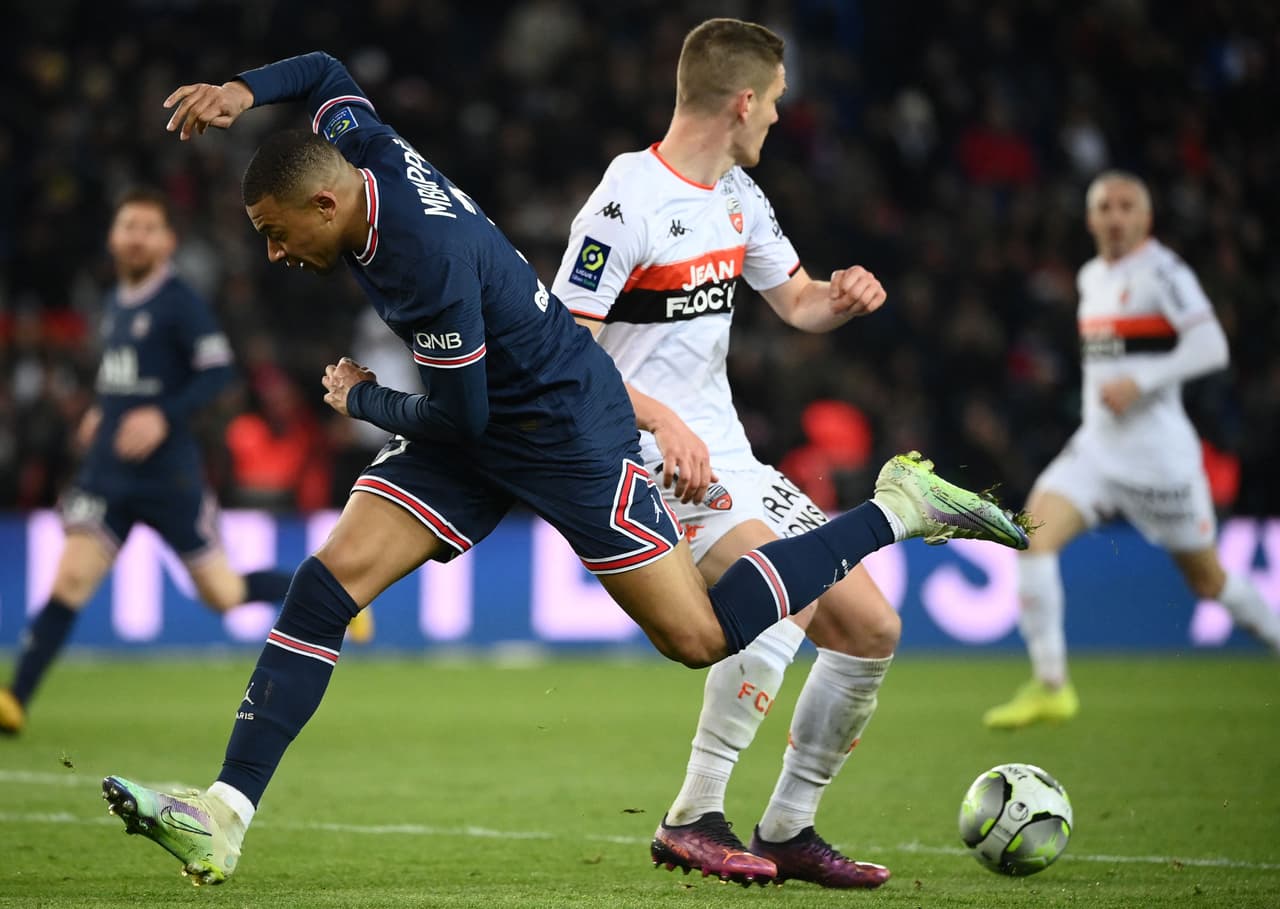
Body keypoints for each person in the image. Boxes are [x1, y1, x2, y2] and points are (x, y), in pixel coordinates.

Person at [100, 51, 1029, 887]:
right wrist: (242, 91)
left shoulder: (422, 262)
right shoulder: (360, 144)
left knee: (702, 638)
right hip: (487, 414)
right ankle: (224, 814)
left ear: (326, 204)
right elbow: (327, 70)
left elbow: (460, 418)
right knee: (324, 583)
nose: (273, 251)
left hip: (565, 427)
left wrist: (362, 401)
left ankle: (896, 506)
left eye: (275, 231)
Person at [551, 18, 902, 889]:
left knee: (868, 629)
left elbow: (798, 303)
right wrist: (662, 421)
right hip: (649, 459)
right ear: (743, 101)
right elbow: (559, 354)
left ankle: (788, 827)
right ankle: (692, 815)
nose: (780, 118)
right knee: (778, 593)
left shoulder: (739, 197)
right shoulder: (625, 203)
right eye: (776, 102)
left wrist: (843, 296)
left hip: (729, 457)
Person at [983, 171, 1280, 730]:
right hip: (1097, 448)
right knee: (1029, 535)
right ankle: (1052, 686)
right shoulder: (1091, 276)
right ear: (1091, 218)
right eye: (1104, 207)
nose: (1115, 217)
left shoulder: (1164, 272)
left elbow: (1211, 344)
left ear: (1146, 217)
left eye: (1126, 207)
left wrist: (1142, 382)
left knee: (1208, 581)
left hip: (1159, 461)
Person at [0, 189, 295, 736]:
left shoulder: (180, 302)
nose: (135, 236)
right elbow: (127, 378)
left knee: (223, 595)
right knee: (70, 580)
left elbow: (217, 373)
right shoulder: (115, 301)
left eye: (147, 228)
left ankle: (320, 589)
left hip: (169, 478)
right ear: (113, 238)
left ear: (167, 242)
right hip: (110, 475)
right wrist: (101, 411)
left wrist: (161, 416)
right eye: (127, 226)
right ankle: (13, 701)